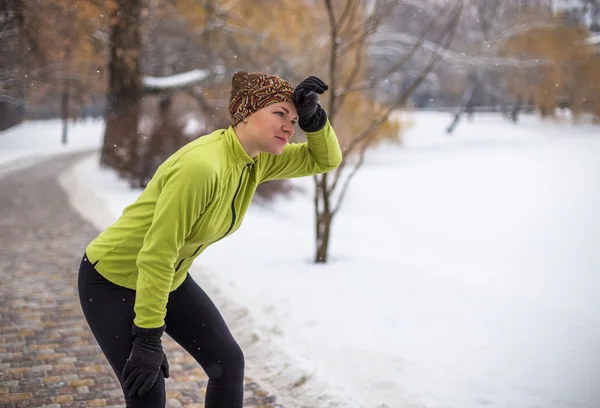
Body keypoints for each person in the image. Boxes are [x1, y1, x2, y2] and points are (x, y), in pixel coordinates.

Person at [77, 71, 342, 408]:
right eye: (280, 113)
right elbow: (157, 253)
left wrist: (314, 119)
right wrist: (147, 338)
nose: (290, 126)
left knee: (228, 364)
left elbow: (325, 159)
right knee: (147, 393)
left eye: (294, 119)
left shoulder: (254, 162)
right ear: (246, 112)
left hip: (168, 275)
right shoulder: (203, 167)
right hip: (112, 280)